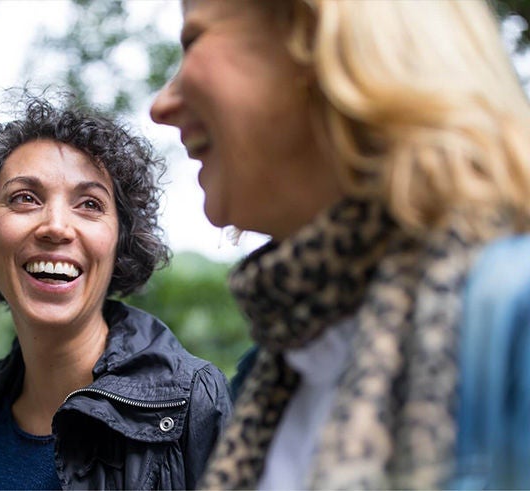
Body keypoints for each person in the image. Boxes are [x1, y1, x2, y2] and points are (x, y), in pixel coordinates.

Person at [148, 0, 530, 488]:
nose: (161, 105)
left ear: (320, 37)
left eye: (193, 39)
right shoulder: (275, 373)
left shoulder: (516, 317)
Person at [0, 97, 232, 490]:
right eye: (25, 197)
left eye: (90, 204)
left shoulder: (193, 401)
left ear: (120, 242)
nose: (56, 226)